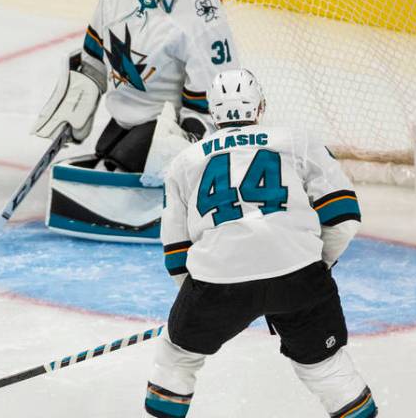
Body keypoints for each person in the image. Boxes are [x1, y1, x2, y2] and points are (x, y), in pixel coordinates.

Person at [144, 69, 377, 418]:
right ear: (261, 106)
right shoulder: (297, 140)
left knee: (178, 357)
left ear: (213, 112)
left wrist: (196, 305)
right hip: (301, 277)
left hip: (217, 284)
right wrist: (315, 264)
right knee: (324, 367)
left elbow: (177, 255)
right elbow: (344, 215)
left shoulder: (183, 163)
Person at [32, 0, 240, 173]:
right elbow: (97, 42)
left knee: (122, 164)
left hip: (165, 118)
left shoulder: (199, 5)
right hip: (126, 111)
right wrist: (80, 96)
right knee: (105, 154)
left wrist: (192, 134)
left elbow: (215, 81)